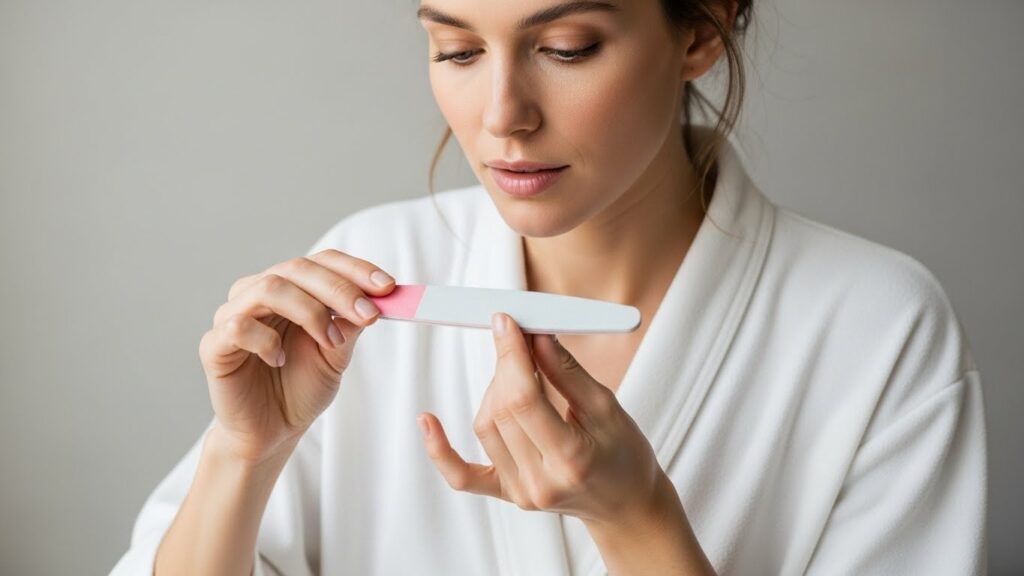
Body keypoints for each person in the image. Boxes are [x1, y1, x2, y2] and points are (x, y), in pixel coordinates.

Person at [112, 1, 988, 574]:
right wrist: (247, 454)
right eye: (456, 50)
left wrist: (638, 519)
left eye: (566, 48)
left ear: (699, 31)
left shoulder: (876, 326)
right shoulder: (370, 271)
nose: (501, 116)